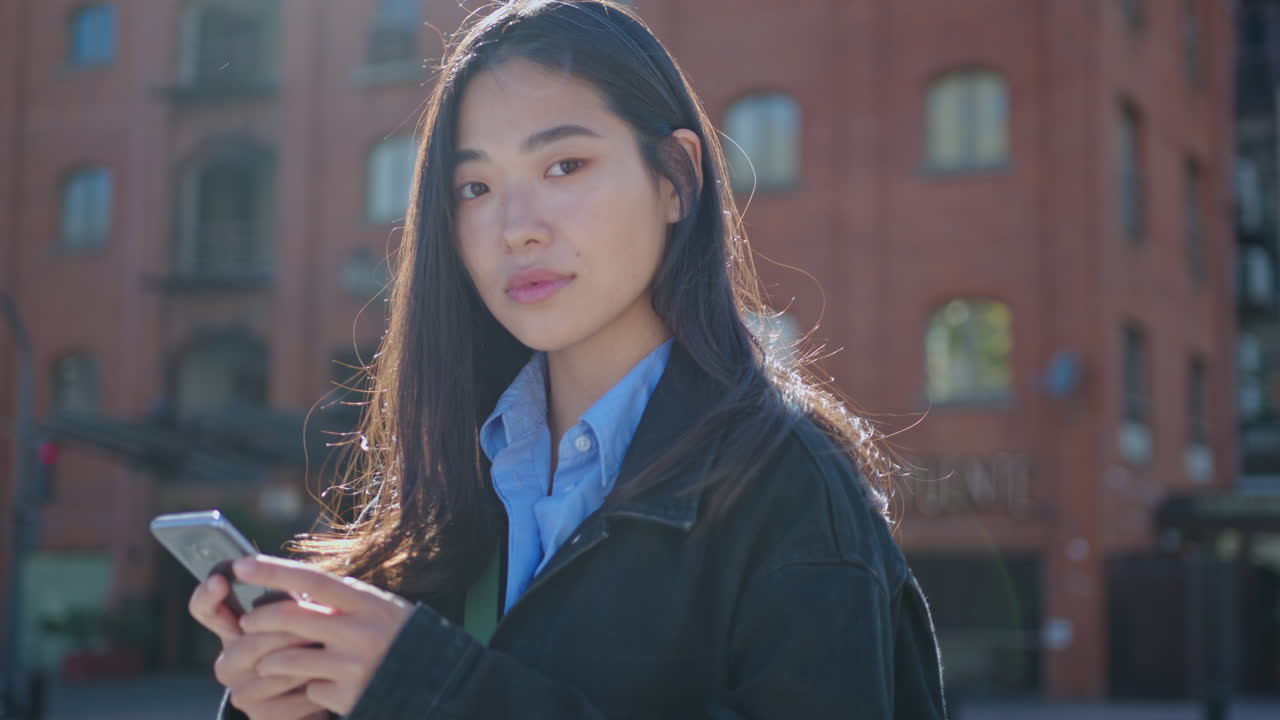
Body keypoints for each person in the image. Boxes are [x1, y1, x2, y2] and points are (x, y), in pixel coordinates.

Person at [187, 1, 947, 718]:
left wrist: (436, 690)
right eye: (476, 186)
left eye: (564, 167)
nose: (515, 228)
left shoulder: (789, 490)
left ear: (676, 179)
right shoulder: (446, 496)